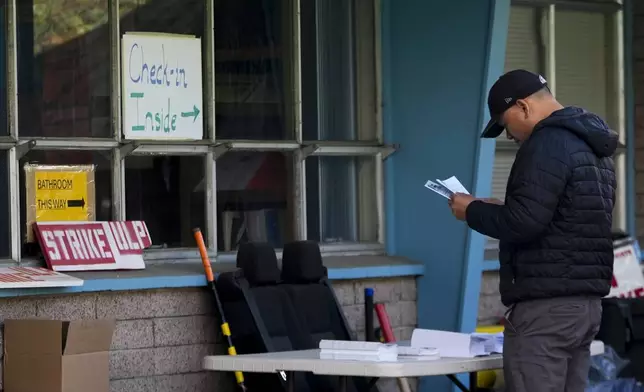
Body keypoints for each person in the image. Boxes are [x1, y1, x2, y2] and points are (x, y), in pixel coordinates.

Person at [449, 69, 617, 392]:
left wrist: (471, 210)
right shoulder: (593, 147)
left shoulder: (546, 142)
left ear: (524, 108)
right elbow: (562, 220)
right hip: (586, 308)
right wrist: (500, 207)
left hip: (546, 313)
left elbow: (523, 222)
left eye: (505, 124)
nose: (509, 136)